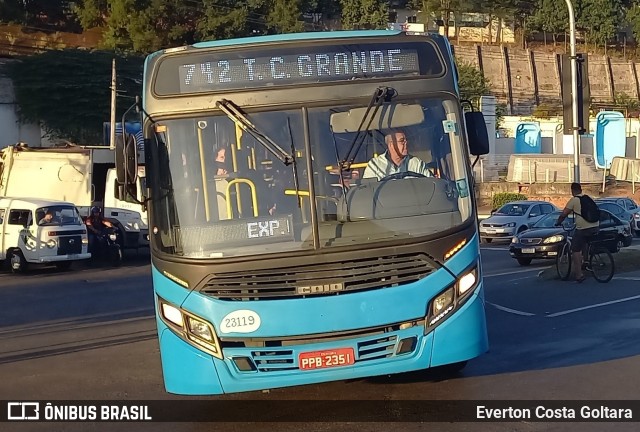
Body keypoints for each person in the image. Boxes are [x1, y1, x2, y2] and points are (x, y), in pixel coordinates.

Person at [555, 183, 600, 283]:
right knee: (585, 242)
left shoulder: (574, 200)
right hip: (595, 226)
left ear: (572, 191)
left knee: (575, 249)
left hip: (583, 228)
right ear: (580, 189)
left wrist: (558, 222)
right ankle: (586, 261)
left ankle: (579, 275)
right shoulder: (588, 198)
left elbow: (564, 214)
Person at [362, 131, 432, 180]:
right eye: (402, 141)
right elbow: (367, 190)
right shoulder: (374, 165)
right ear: (391, 145)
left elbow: (431, 183)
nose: (406, 143)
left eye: (406, 140)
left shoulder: (417, 163)